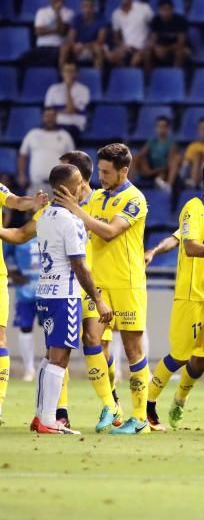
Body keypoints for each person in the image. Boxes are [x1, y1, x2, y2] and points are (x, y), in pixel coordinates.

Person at [52, 144, 152, 434]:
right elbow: (78, 222)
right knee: (91, 338)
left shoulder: (135, 199)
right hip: (99, 284)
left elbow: (109, 232)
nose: (102, 177)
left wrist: (74, 208)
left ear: (124, 170)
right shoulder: (98, 198)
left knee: (133, 348)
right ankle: (111, 405)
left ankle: (140, 417)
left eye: (107, 172)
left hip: (128, 282)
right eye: (101, 171)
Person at [145, 159, 204, 431]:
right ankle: (148, 405)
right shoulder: (193, 209)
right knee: (181, 357)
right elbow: (189, 247)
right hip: (193, 295)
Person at [30, 164, 111, 435]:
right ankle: (49, 420)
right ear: (67, 187)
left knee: (50, 355)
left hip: (45, 293)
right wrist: (98, 300)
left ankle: (41, 415)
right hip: (65, 295)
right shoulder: (71, 221)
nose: (82, 188)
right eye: (78, 183)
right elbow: (80, 266)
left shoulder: (44, 216)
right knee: (60, 358)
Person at [0, 180, 48, 427]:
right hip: (26, 289)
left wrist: (33, 201)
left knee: (1, 338)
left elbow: (16, 201)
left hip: (4, 280)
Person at [18, 108, 75, 193]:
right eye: (47, 116)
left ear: (56, 118)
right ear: (42, 117)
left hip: (58, 186)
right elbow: (23, 155)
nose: (50, 119)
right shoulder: (33, 134)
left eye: (53, 116)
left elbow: (73, 159)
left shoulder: (65, 136)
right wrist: (21, 174)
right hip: (36, 185)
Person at [9, 235, 41, 384]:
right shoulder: (19, 235)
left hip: (48, 291)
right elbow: (4, 257)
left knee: (51, 330)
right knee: (25, 328)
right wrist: (13, 274)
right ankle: (29, 369)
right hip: (25, 292)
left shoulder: (50, 230)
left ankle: (50, 366)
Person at [107, 0, 153, 68]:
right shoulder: (116, 14)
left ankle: (145, 80)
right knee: (111, 57)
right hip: (127, 48)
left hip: (142, 48)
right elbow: (116, 37)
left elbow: (153, 30)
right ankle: (125, 75)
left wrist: (145, 47)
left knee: (138, 59)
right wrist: (122, 46)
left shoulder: (144, 8)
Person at [142, 0, 189, 76]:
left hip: (179, 48)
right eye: (163, 10)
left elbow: (181, 42)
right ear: (159, 10)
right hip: (161, 49)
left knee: (179, 52)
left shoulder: (180, 20)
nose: (165, 12)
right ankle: (150, 79)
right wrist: (156, 48)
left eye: (168, 9)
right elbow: (153, 40)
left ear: (172, 9)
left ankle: (174, 78)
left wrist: (166, 49)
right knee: (147, 51)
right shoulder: (156, 20)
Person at [60, 0, 107, 70]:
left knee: (98, 49)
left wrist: (84, 46)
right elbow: (70, 38)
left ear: (94, 7)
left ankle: (97, 77)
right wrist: (74, 46)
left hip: (92, 47)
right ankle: (62, 76)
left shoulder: (101, 19)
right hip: (78, 48)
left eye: (90, 6)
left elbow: (100, 40)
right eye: (85, 6)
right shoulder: (77, 19)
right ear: (81, 7)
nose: (87, 9)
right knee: (64, 48)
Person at [43, 62, 91, 139]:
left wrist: (68, 88)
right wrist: (63, 110)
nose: (68, 74)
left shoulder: (83, 90)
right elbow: (49, 112)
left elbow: (71, 110)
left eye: (71, 71)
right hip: (56, 124)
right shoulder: (53, 89)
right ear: (62, 73)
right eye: (66, 71)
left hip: (74, 125)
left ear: (76, 74)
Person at [30, 0, 73, 67]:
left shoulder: (69, 13)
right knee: (23, 59)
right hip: (41, 47)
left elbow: (62, 32)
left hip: (58, 47)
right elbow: (38, 31)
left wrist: (58, 13)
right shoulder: (41, 12)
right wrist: (55, 30)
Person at [133, 116, 176, 190]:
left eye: (163, 126)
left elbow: (169, 164)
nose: (161, 129)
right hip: (151, 169)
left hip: (163, 171)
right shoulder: (152, 141)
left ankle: (166, 187)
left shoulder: (171, 143)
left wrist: (159, 170)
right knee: (134, 157)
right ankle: (130, 184)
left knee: (161, 176)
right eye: (159, 126)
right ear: (156, 128)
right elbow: (140, 155)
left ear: (168, 128)